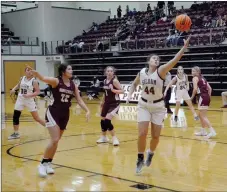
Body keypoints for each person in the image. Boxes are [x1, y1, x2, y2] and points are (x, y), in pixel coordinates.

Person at [126, 35, 191, 174]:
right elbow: (134, 84)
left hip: (158, 107)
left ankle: (151, 153)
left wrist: (183, 49)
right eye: (154, 58)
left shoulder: (161, 70)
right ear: (148, 61)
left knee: (155, 137)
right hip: (143, 104)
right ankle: (139, 157)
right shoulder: (142, 72)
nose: (156, 59)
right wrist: (130, 94)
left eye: (158, 58)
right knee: (142, 133)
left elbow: (174, 61)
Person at [26, 64, 91, 178]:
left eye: (71, 68)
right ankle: (41, 165)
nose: (72, 70)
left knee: (56, 141)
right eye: (69, 69)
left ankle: (48, 163)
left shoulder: (73, 85)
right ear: (63, 71)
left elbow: (79, 100)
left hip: (65, 114)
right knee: (54, 139)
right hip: (53, 112)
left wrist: (87, 110)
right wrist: (37, 74)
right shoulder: (56, 81)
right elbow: (43, 78)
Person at [8, 67, 45, 140]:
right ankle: (16, 133)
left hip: (29, 101)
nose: (29, 71)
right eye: (28, 70)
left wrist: (29, 95)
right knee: (16, 116)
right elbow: (18, 85)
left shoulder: (34, 81)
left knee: (36, 118)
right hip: (20, 99)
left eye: (31, 70)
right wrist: (13, 89)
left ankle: (50, 127)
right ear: (25, 72)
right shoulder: (22, 78)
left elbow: (37, 92)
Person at [96, 66, 124, 146]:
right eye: (108, 71)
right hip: (107, 103)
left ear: (113, 73)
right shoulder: (105, 81)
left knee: (107, 120)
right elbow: (105, 93)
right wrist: (102, 101)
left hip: (114, 103)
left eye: (111, 71)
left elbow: (122, 91)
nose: (109, 72)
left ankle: (114, 138)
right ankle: (104, 137)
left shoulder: (114, 81)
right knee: (102, 120)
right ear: (105, 72)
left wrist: (114, 90)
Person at [191, 66, 216, 139]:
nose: (192, 73)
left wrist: (191, 97)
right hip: (206, 97)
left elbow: (195, 89)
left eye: (194, 71)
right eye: (192, 71)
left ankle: (212, 131)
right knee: (200, 114)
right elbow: (210, 88)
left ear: (198, 72)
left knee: (203, 116)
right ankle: (203, 131)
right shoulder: (203, 78)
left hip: (202, 96)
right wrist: (209, 97)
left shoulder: (195, 78)